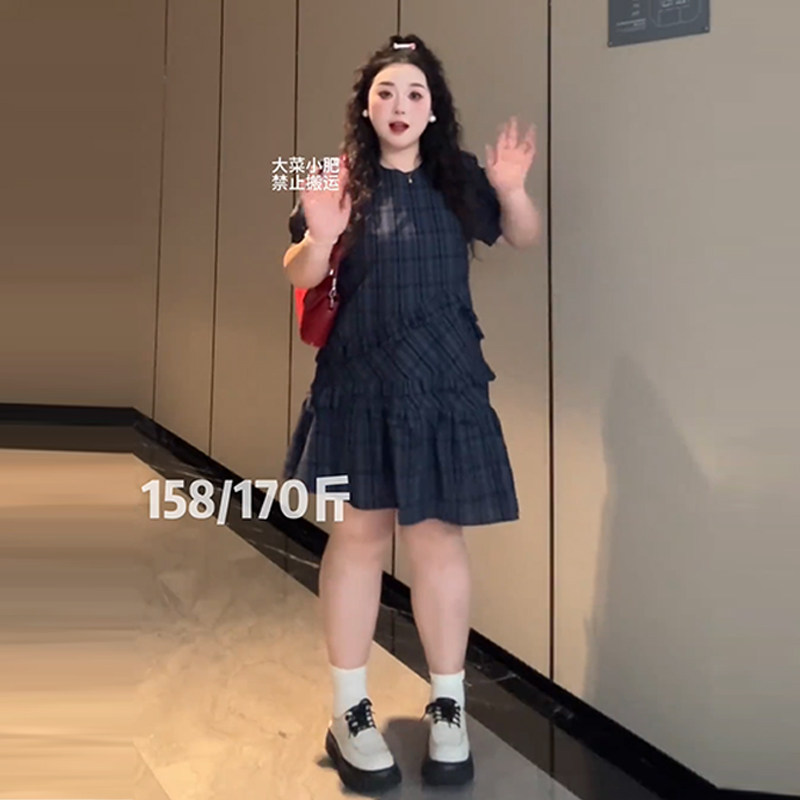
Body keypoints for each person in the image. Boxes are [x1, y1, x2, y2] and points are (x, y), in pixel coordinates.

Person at [281, 33, 540, 794]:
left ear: (433, 110)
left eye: (415, 94)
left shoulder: (460, 177)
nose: (399, 105)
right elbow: (298, 271)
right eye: (386, 92)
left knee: (437, 538)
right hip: (361, 380)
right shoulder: (332, 177)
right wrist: (320, 237)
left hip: (445, 381)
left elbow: (522, 235)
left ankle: (448, 707)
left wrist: (512, 189)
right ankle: (349, 711)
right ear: (366, 106)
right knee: (359, 537)